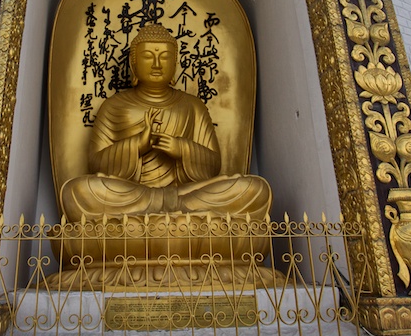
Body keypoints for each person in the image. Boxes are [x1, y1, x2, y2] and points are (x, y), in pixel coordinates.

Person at [61, 23, 271, 221]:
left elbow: (214, 164)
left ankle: (160, 216)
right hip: (134, 195)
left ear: (175, 64)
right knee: (78, 191)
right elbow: (96, 163)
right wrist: (137, 146)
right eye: (147, 56)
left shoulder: (193, 106)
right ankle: (177, 219)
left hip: (186, 194)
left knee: (254, 189)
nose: (156, 64)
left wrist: (182, 149)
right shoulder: (114, 106)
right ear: (133, 64)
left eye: (165, 57)